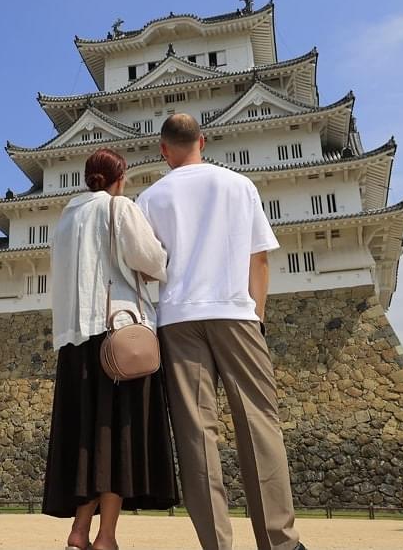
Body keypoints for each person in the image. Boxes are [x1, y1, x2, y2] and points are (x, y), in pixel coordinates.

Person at [138, 113, 305, 550]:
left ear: (163, 149)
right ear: (202, 141)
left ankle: (216, 544)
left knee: (197, 434)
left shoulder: (150, 198)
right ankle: (280, 542)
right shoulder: (238, 185)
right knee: (259, 423)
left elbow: (143, 266)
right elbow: (260, 259)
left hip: (177, 319)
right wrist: (258, 316)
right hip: (235, 312)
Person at [43, 148, 179, 550]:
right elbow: (152, 259)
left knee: (89, 440)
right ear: (119, 179)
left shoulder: (66, 219)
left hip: (75, 343)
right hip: (117, 338)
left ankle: (79, 531)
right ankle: (106, 536)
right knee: (119, 436)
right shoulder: (119, 208)